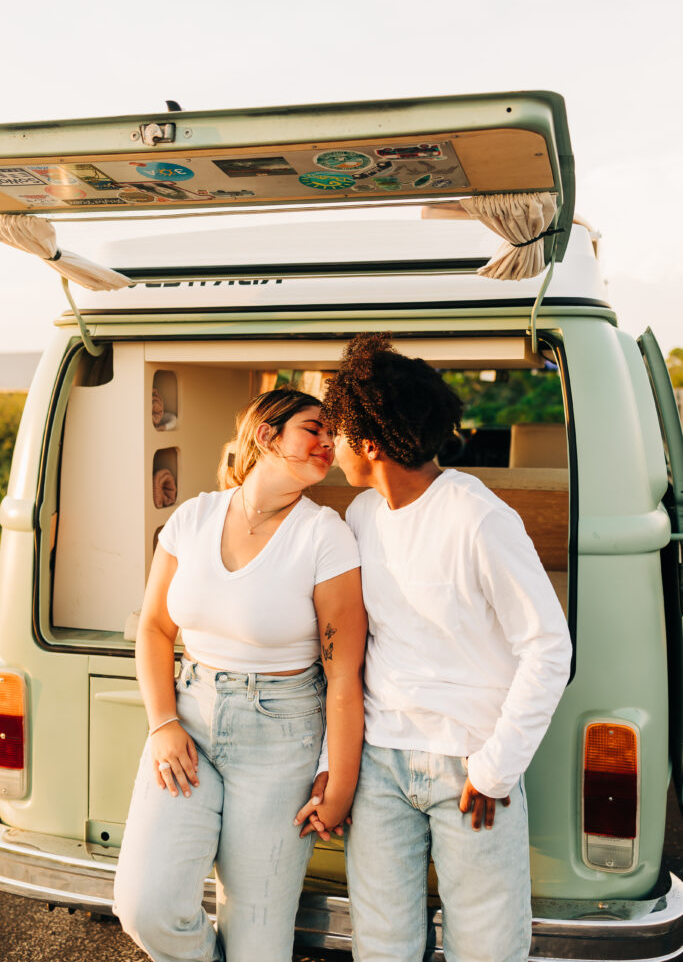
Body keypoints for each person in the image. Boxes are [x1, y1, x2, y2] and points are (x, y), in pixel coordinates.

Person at [295, 334, 572, 962]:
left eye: (335, 431)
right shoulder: (362, 516)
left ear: (367, 442)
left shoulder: (479, 517)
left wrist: (496, 767)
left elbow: (548, 648)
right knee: (383, 949)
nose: (328, 445)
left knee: (486, 950)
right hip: (379, 767)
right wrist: (334, 761)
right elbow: (350, 654)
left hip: (470, 769)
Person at [114, 387, 367, 962]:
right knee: (144, 905)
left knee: (258, 941)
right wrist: (162, 724)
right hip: (189, 723)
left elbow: (344, 672)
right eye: (313, 427)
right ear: (266, 435)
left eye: (334, 433)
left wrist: (340, 778)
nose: (329, 441)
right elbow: (155, 628)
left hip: (282, 735)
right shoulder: (193, 517)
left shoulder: (325, 534)